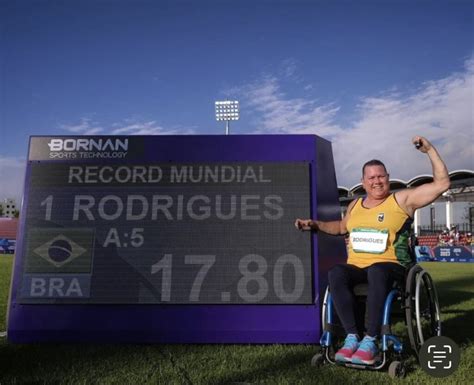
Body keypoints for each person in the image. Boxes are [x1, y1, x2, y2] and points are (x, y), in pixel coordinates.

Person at [295, 136, 449, 365]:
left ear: (388, 178)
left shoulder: (402, 199)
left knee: (377, 270)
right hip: (359, 267)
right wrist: (316, 225)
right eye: (372, 177)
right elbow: (340, 227)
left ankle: (370, 340)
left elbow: (442, 184)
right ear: (363, 181)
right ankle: (351, 337)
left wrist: (429, 150)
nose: (377, 181)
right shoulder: (355, 205)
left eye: (381, 176)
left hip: (393, 267)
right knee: (336, 272)